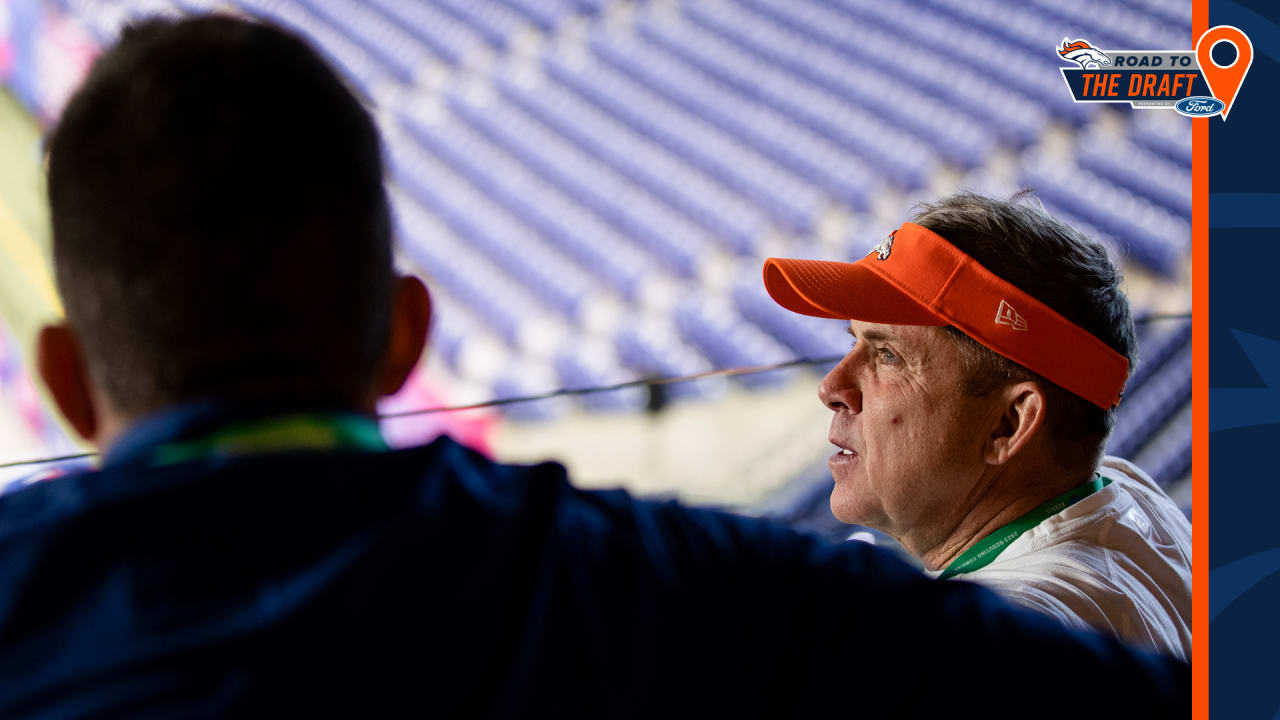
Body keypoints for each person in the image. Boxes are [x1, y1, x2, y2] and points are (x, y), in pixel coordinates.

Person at [0, 16, 1187, 717]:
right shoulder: (683, 588)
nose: (830, 386)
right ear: (403, 336)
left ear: (64, 378)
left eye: (878, 357)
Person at [763, 192, 1193, 660]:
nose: (832, 386)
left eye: (888, 356)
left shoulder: (996, 644)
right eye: (854, 344)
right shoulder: (1125, 491)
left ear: (1008, 424)